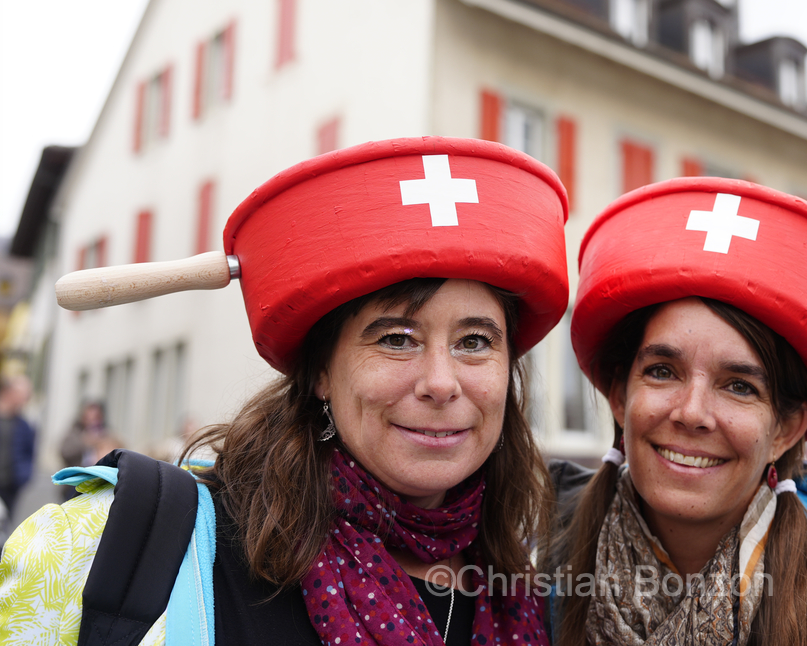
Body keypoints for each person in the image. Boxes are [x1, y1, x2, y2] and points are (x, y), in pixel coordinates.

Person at [0, 138, 570, 646]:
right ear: (320, 370)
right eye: (396, 338)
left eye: (475, 341)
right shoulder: (113, 553)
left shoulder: (542, 587)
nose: (442, 382)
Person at [550, 177, 807, 646]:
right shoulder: (525, 566)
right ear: (620, 396)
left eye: (739, 386)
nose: (692, 412)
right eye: (662, 371)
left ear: (785, 429)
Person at [57, 400, 119, 501]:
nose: (92, 419)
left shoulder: (107, 433)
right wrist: (85, 443)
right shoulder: (75, 431)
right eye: (89, 415)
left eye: (96, 416)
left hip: (99, 481)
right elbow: (64, 452)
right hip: (76, 482)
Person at [0, 375, 35, 527]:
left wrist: (23, 476)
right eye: (22, 395)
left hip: (10, 485)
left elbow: (30, 453)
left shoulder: (24, 425)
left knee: (4, 524)